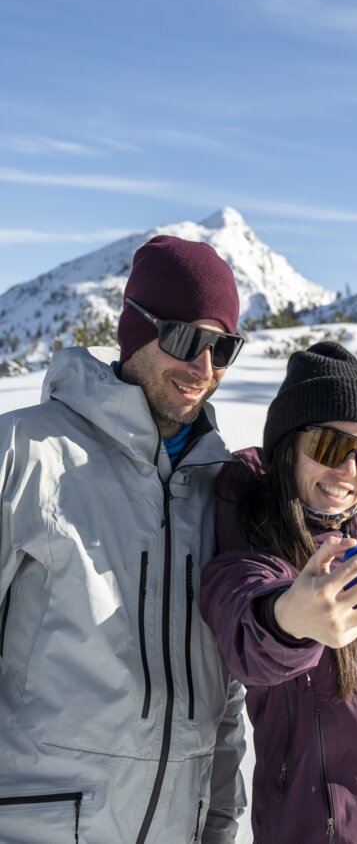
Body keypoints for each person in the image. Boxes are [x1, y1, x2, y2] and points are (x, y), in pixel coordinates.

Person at [0, 235, 247, 844]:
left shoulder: (221, 489)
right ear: (135, 330)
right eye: (186, 339)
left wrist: (218, 824)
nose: (204, 369)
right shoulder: (26, 453)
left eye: (223, 348)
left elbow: (226, 695)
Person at [200, 340, 357, 844]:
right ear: (289, 446)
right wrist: (291, 621)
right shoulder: (253, 550)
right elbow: (247, 627)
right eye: (330, 447)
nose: (349, 472)